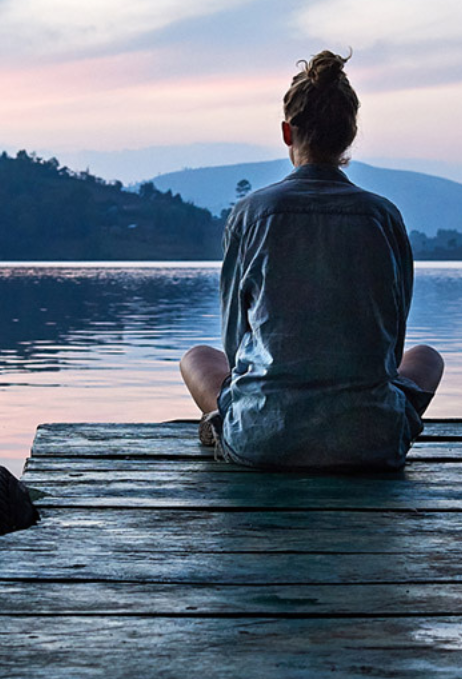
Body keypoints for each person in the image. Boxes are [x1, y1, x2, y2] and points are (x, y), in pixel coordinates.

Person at [179, 50, 444, 470]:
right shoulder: (383, 216)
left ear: (288, 132)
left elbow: (233, 343)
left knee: (197, 357)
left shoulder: (251, 215)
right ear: (351, 136)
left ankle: (226, 424)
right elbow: (391, 350)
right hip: (369, 443)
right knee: (427, 357)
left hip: (262, 441)